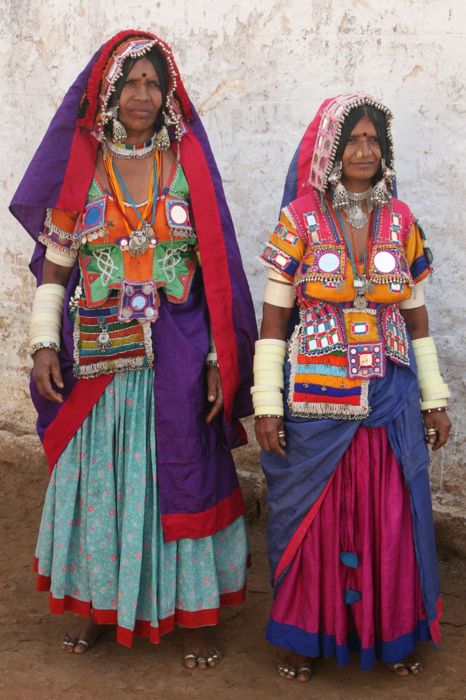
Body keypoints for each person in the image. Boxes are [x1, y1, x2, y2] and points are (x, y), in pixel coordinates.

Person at [10, 30, 256, 668]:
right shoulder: (83, 169)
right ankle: (100, 605)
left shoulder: (189, 164)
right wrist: (42, 343)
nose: (142, 94)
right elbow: (56, 267)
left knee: (182, 477)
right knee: (103, 486)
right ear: (109, 93)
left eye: (153, 82)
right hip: (98, 359)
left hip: (174, 357)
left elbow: (217, 274)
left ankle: (192, 613)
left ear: (167, 92)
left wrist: (214, 359)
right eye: (131, 82)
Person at [253, 93, 451, 681]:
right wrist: (267, 403)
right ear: (332, 151)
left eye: (374, 141)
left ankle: (389, 633)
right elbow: (273, 320)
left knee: (391, 515)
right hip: (317, 394)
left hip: (389, 395)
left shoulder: (402, 220)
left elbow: (416, 317)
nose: (364, 151)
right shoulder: (299, 219)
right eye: (353, 141)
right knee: (314, 518)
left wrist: (434, 398)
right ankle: (305, 636)